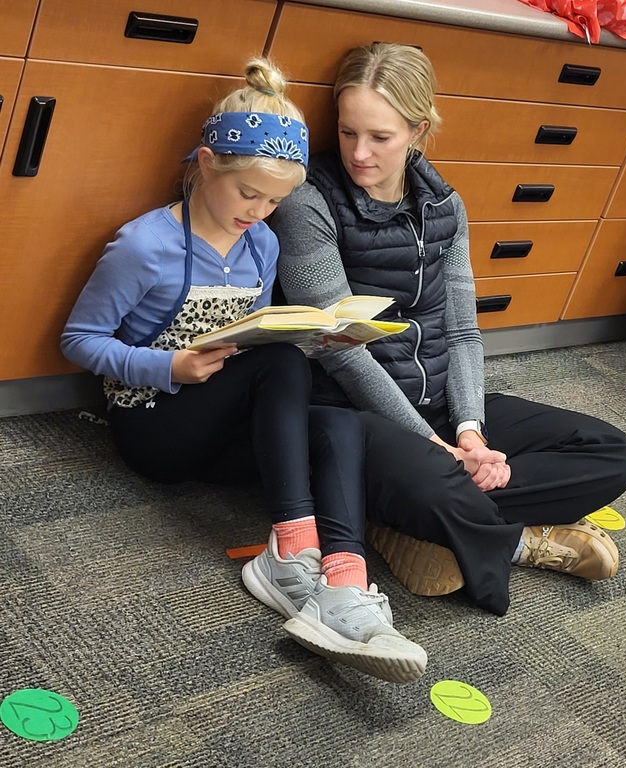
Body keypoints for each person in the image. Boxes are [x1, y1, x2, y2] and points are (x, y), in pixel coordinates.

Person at [60, 57, 427, 682]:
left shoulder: (262, 242)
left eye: (275, 200)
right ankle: (291, 547)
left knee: (335, 421)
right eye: (247, 193)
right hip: (152, 426)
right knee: (282, 364)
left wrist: (324, 339)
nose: (258, 211)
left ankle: (341, 582)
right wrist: (166, 363)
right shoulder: (145, 246)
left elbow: (254, 345)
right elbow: (79, 340)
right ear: (206, 165)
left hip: (224, 428)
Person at [270, 42, 626, 617]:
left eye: (380, 137)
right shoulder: (308, 202)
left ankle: (432, 525)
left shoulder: (446, 205)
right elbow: (341, 351)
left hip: (440, 400)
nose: (359, 153)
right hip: (350, 413)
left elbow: (463, 331)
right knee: (435, 485)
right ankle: (516, 540)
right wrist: (432, 445)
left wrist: (470, 432)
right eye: (347, 133)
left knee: (612, 454)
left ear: (418, 130)